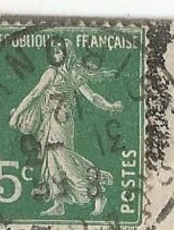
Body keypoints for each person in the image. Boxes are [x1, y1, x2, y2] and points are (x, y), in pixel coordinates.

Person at [8, 36, 125, 217]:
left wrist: (109, 106)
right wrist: (17, 114)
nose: (57, 54)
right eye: (53, 51)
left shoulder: (71, 74)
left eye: (60, 50)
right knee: (52, 162)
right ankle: (59, 203)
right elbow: (33, 95)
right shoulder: (51, 73)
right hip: (50, 122)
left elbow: (91, 96)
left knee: (64, 160)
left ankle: (97, 186)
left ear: (66, 52)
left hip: (62, 122)